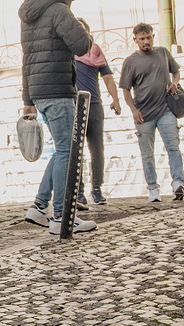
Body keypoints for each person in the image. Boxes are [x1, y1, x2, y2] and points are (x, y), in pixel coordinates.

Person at [19, 0, 96, 236]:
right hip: (58, 89)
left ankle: (40, 207)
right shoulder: (58, 10)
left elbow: (27, 59)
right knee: (67, 151)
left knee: (60, 149)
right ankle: (63, 216)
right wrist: (83, 28)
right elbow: (82, 45)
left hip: (40, 92)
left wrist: (28, 98)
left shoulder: (29, 15)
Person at [119, 22, 184, 203]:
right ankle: (153, 189)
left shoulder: (163, 53)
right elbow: (125, 90)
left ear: (153, 36)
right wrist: (133, 110)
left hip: (166, 110)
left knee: (173, 147)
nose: (146, 41)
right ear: (135, 40)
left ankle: (178, 184)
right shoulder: (130, 62)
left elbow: (176, 71)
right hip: (143, 115)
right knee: (147, 153)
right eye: (142, 39)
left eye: (148, 37)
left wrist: (174, 83)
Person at [74, 20, 121, 206]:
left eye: (82, 28)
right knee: (75, 152)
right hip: (74, 105)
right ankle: (78, 193)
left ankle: (97, 189)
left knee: (97, 150)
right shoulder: (66, 51)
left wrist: (115, 99)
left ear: (88, 31)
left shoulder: (96, 50)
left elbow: (108, 77)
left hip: (94, 105)